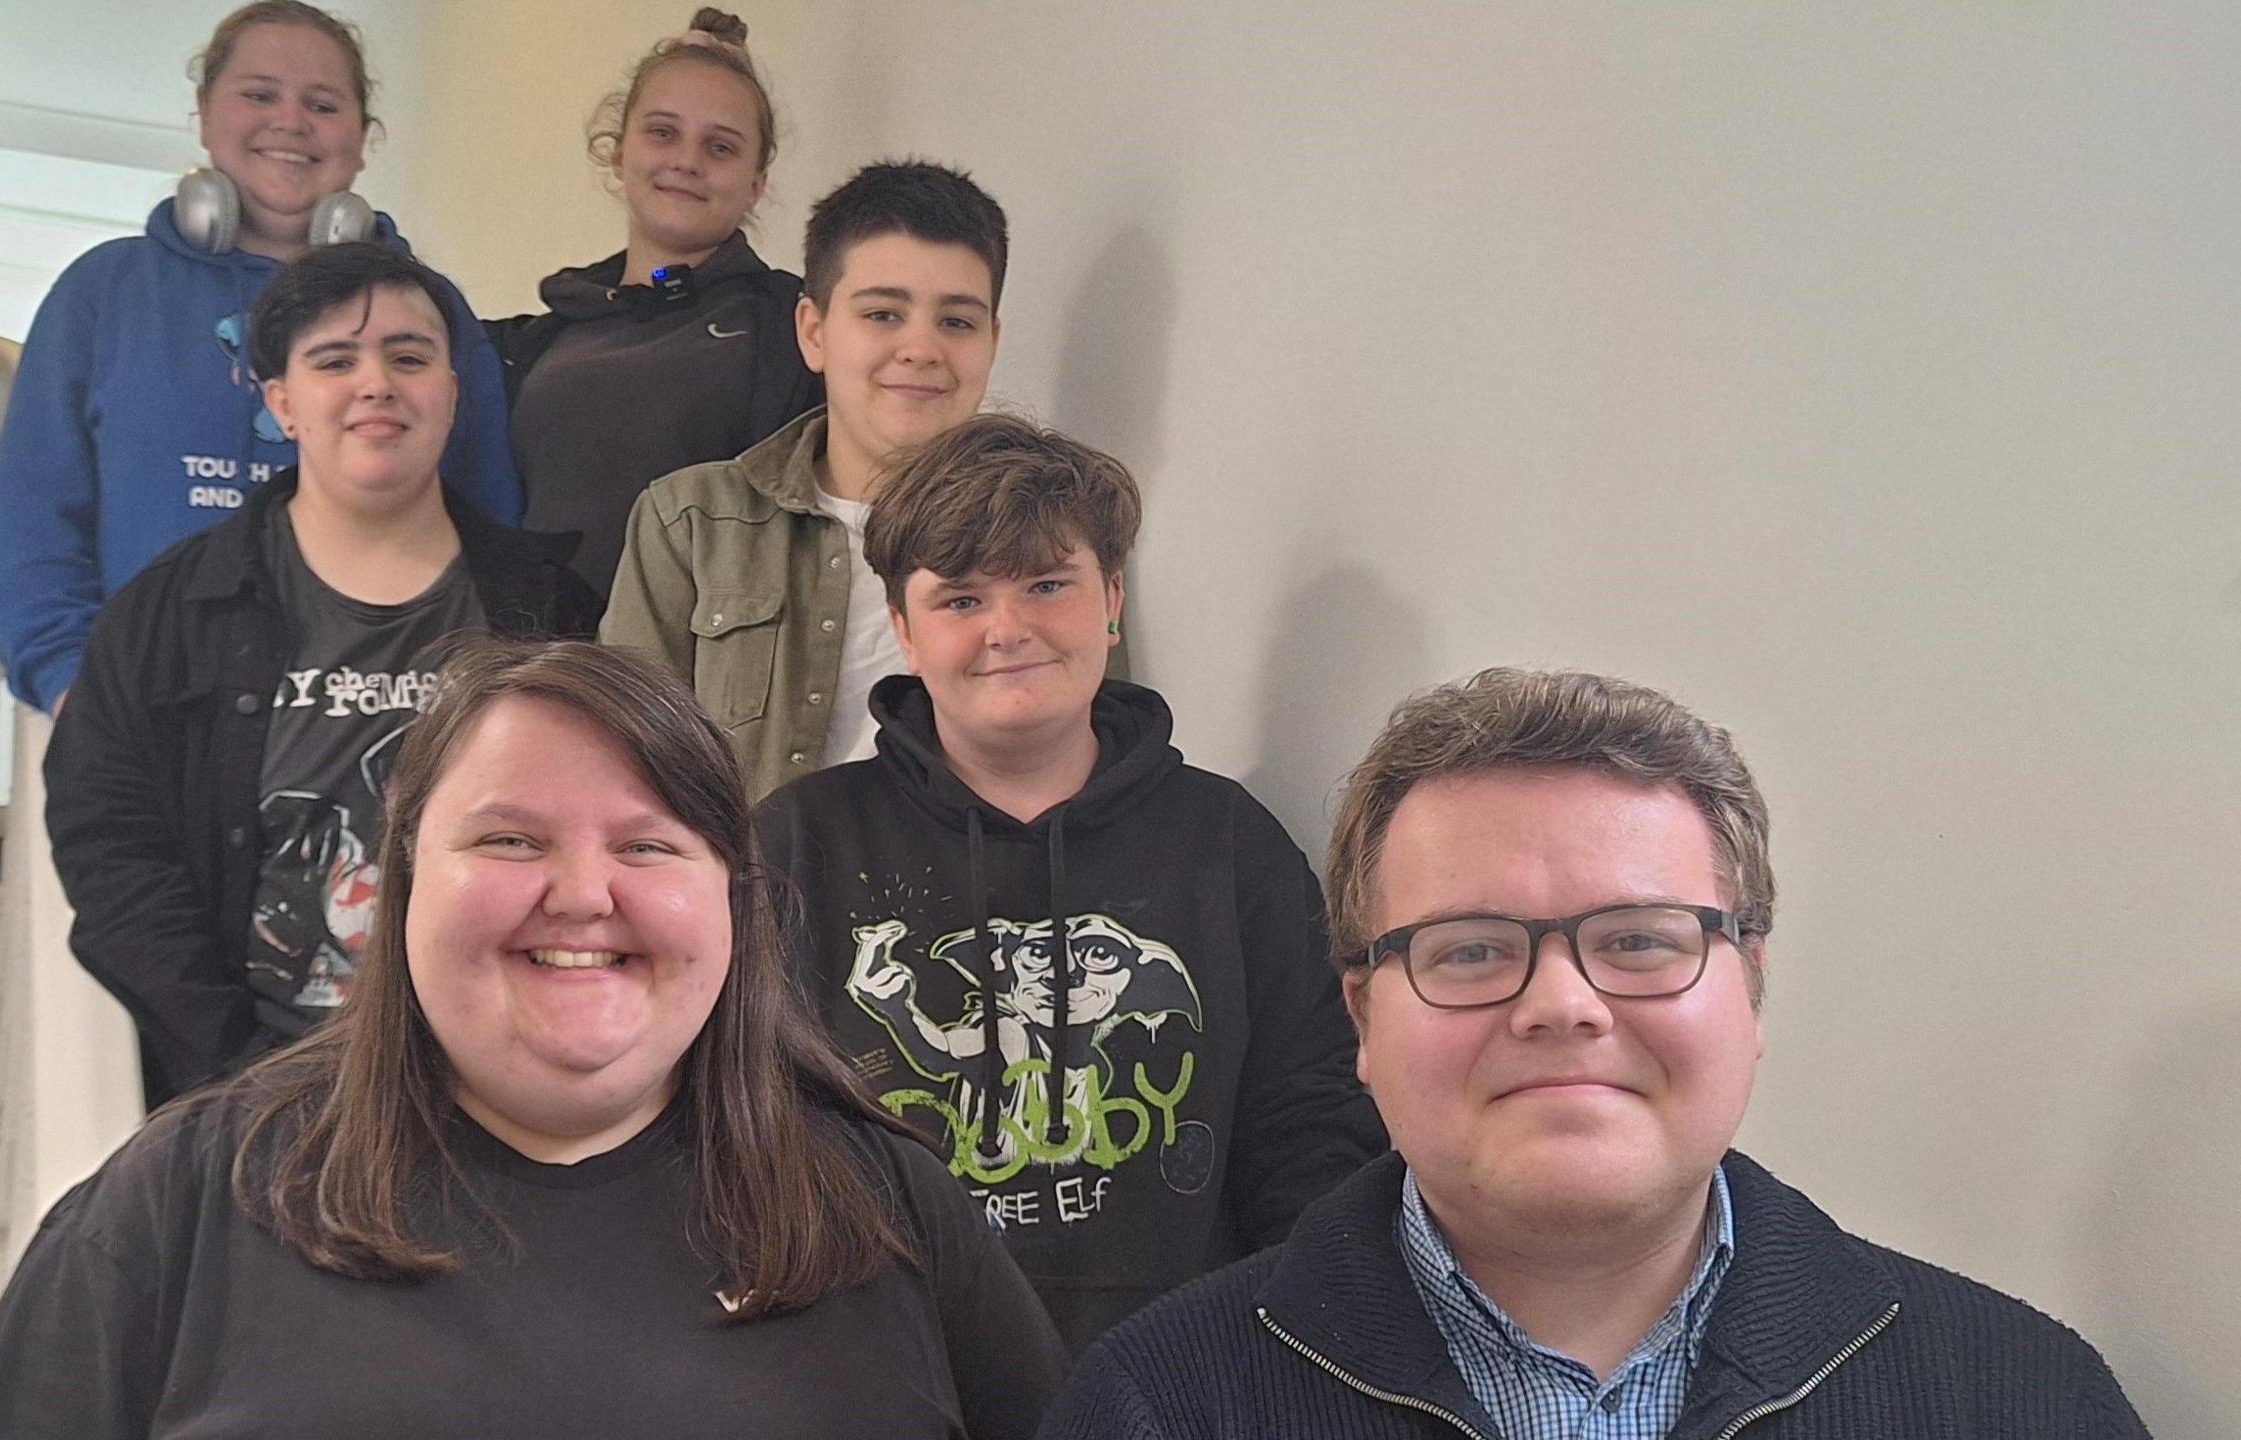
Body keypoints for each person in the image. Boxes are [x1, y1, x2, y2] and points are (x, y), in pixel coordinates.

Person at [0, 639, 1067, 1439]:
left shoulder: (889, 1208)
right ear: (399, 884)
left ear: (733, 898)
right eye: (511, 838)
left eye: (648, 847)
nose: (582, 895)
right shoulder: (180, 1203)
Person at [1039, 669, 2152, 1438]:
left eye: (1637, 941)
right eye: (1469, 950)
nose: (1561, 1004)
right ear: (1363, 1024)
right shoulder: (1160, 1407)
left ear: (1750, 989)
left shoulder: (2019, 1401)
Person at [754, 415, 1384, 1354]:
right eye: (960, 600)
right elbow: (744, 1117)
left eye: (1047, 584)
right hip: (882, 1364)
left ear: (1111, 599)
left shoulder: (1225, 841)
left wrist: (1294, 1340)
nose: (1008, 629)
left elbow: (1312, 1111)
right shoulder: (799, 840)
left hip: (1182, 1367)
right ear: (903, 630)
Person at [43, 244, 599, 1109]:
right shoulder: (163, 619)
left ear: (452, 392)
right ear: (281, 404)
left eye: (409, 357)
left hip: (504, 1096)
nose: (375, 383)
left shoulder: (557, 610)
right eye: (334, 360)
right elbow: (111, 853)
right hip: (258, 1103)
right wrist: (242, 1071)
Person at [0, 0, 519, 716]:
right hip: (146, 716)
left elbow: (489, 525)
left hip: (371, 721)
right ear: (204, 113)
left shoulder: (427, 311)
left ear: (362, 139)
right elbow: (32, 527)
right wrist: (75, 687)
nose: (290, 122)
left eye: (323, 104)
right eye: (259, 94)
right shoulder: (104, 293)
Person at [600, 159, 1007, 800]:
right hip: (740, 894)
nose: (922, 348)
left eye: (957, 321)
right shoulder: (689, 524)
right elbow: (619, 773)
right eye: (882, 314)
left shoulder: (1051, 533)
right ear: (814, 333)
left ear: (992, 341)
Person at [488, 7, 821, 598]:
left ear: (755, 182)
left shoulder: (791, 330)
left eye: (720, 147)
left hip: (695, 676)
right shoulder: (539, 338)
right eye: (662, 132)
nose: (686, 161)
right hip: (543, 667)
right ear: (618, 152)